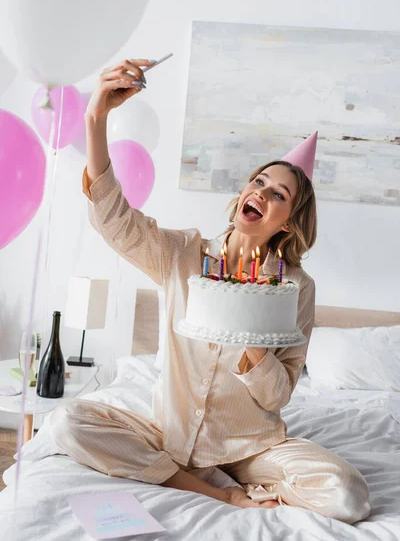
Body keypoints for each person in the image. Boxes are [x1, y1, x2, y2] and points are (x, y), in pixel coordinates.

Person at [49, 59, 370, 523]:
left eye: (279, 194)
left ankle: (224, 477)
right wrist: (95, 118)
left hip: (251, 449)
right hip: (170, 435)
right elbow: (113, 218)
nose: (262, 192)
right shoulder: (182, 253)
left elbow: (278, 395)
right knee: (66, 423)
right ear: (244, 191)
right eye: (260, 182)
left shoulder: (294, 288)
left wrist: (254, 327)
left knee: (348, 496)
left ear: (290, 221)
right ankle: (215, 493)